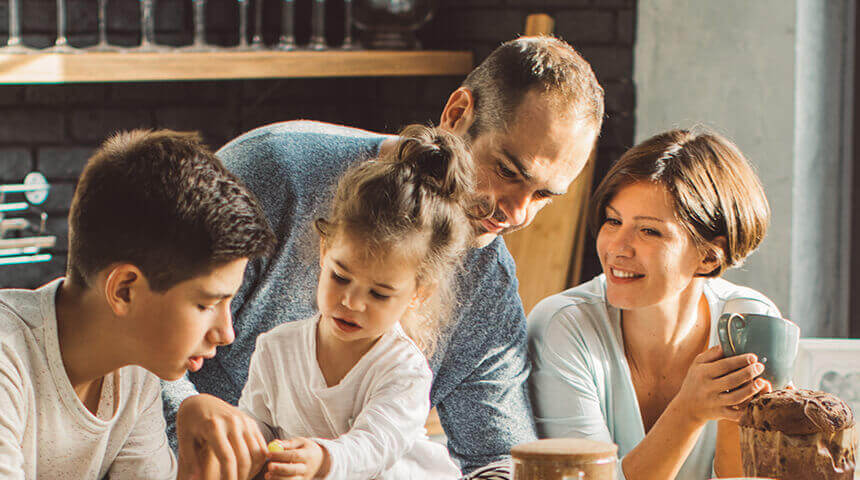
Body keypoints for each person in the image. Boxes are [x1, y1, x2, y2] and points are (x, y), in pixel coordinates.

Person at [164, 35, 605, 476]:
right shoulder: (276, 173)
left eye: (544, 195)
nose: (517, 213)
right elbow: (136, 334)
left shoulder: (488, 287)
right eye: (507, 171)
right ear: (457, 113)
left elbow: (498, 457)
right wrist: (193, 423)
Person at [0, 130, 275, 479]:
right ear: (124, 291)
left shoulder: (134, 375)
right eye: (206, 304)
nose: (226, 333)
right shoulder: (7, 357)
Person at [528, 129, 780, 480]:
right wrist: (689, 412)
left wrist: (741, 414)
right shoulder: (563, 326)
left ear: (708, 257)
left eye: (649, 231)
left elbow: (746, 476)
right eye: (613, 221)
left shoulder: (749, 320)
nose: (618, 246)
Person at [239, 125, 476, 480]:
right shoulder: (276, 348)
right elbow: (258, 428)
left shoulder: (404, 370)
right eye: (340, 276)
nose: (351, 301)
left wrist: (321, 459)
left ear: (418, 293)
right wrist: (244, 445)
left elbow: (373, 446)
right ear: (324, 251)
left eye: (379, 293)